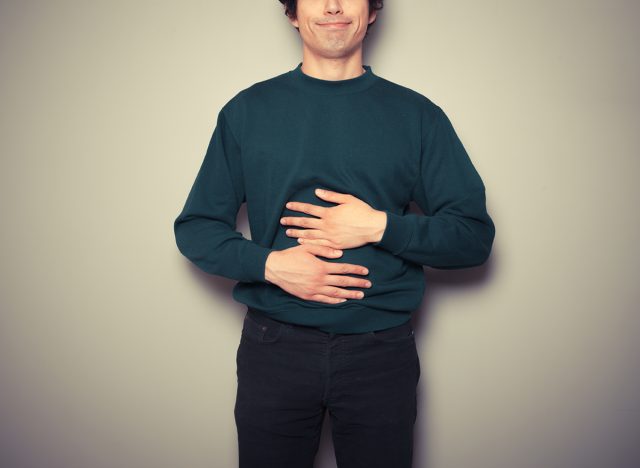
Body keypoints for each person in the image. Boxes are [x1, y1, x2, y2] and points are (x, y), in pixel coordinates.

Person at [173, 0, 495, 466]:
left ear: (373, 11)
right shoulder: (247, 111)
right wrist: (272, 266)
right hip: (275, 350)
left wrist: (378, 226)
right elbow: (196, 226)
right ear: (292, 13)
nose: (332, 6)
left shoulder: (417, 116)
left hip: (381, 353)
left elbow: (472, 236)